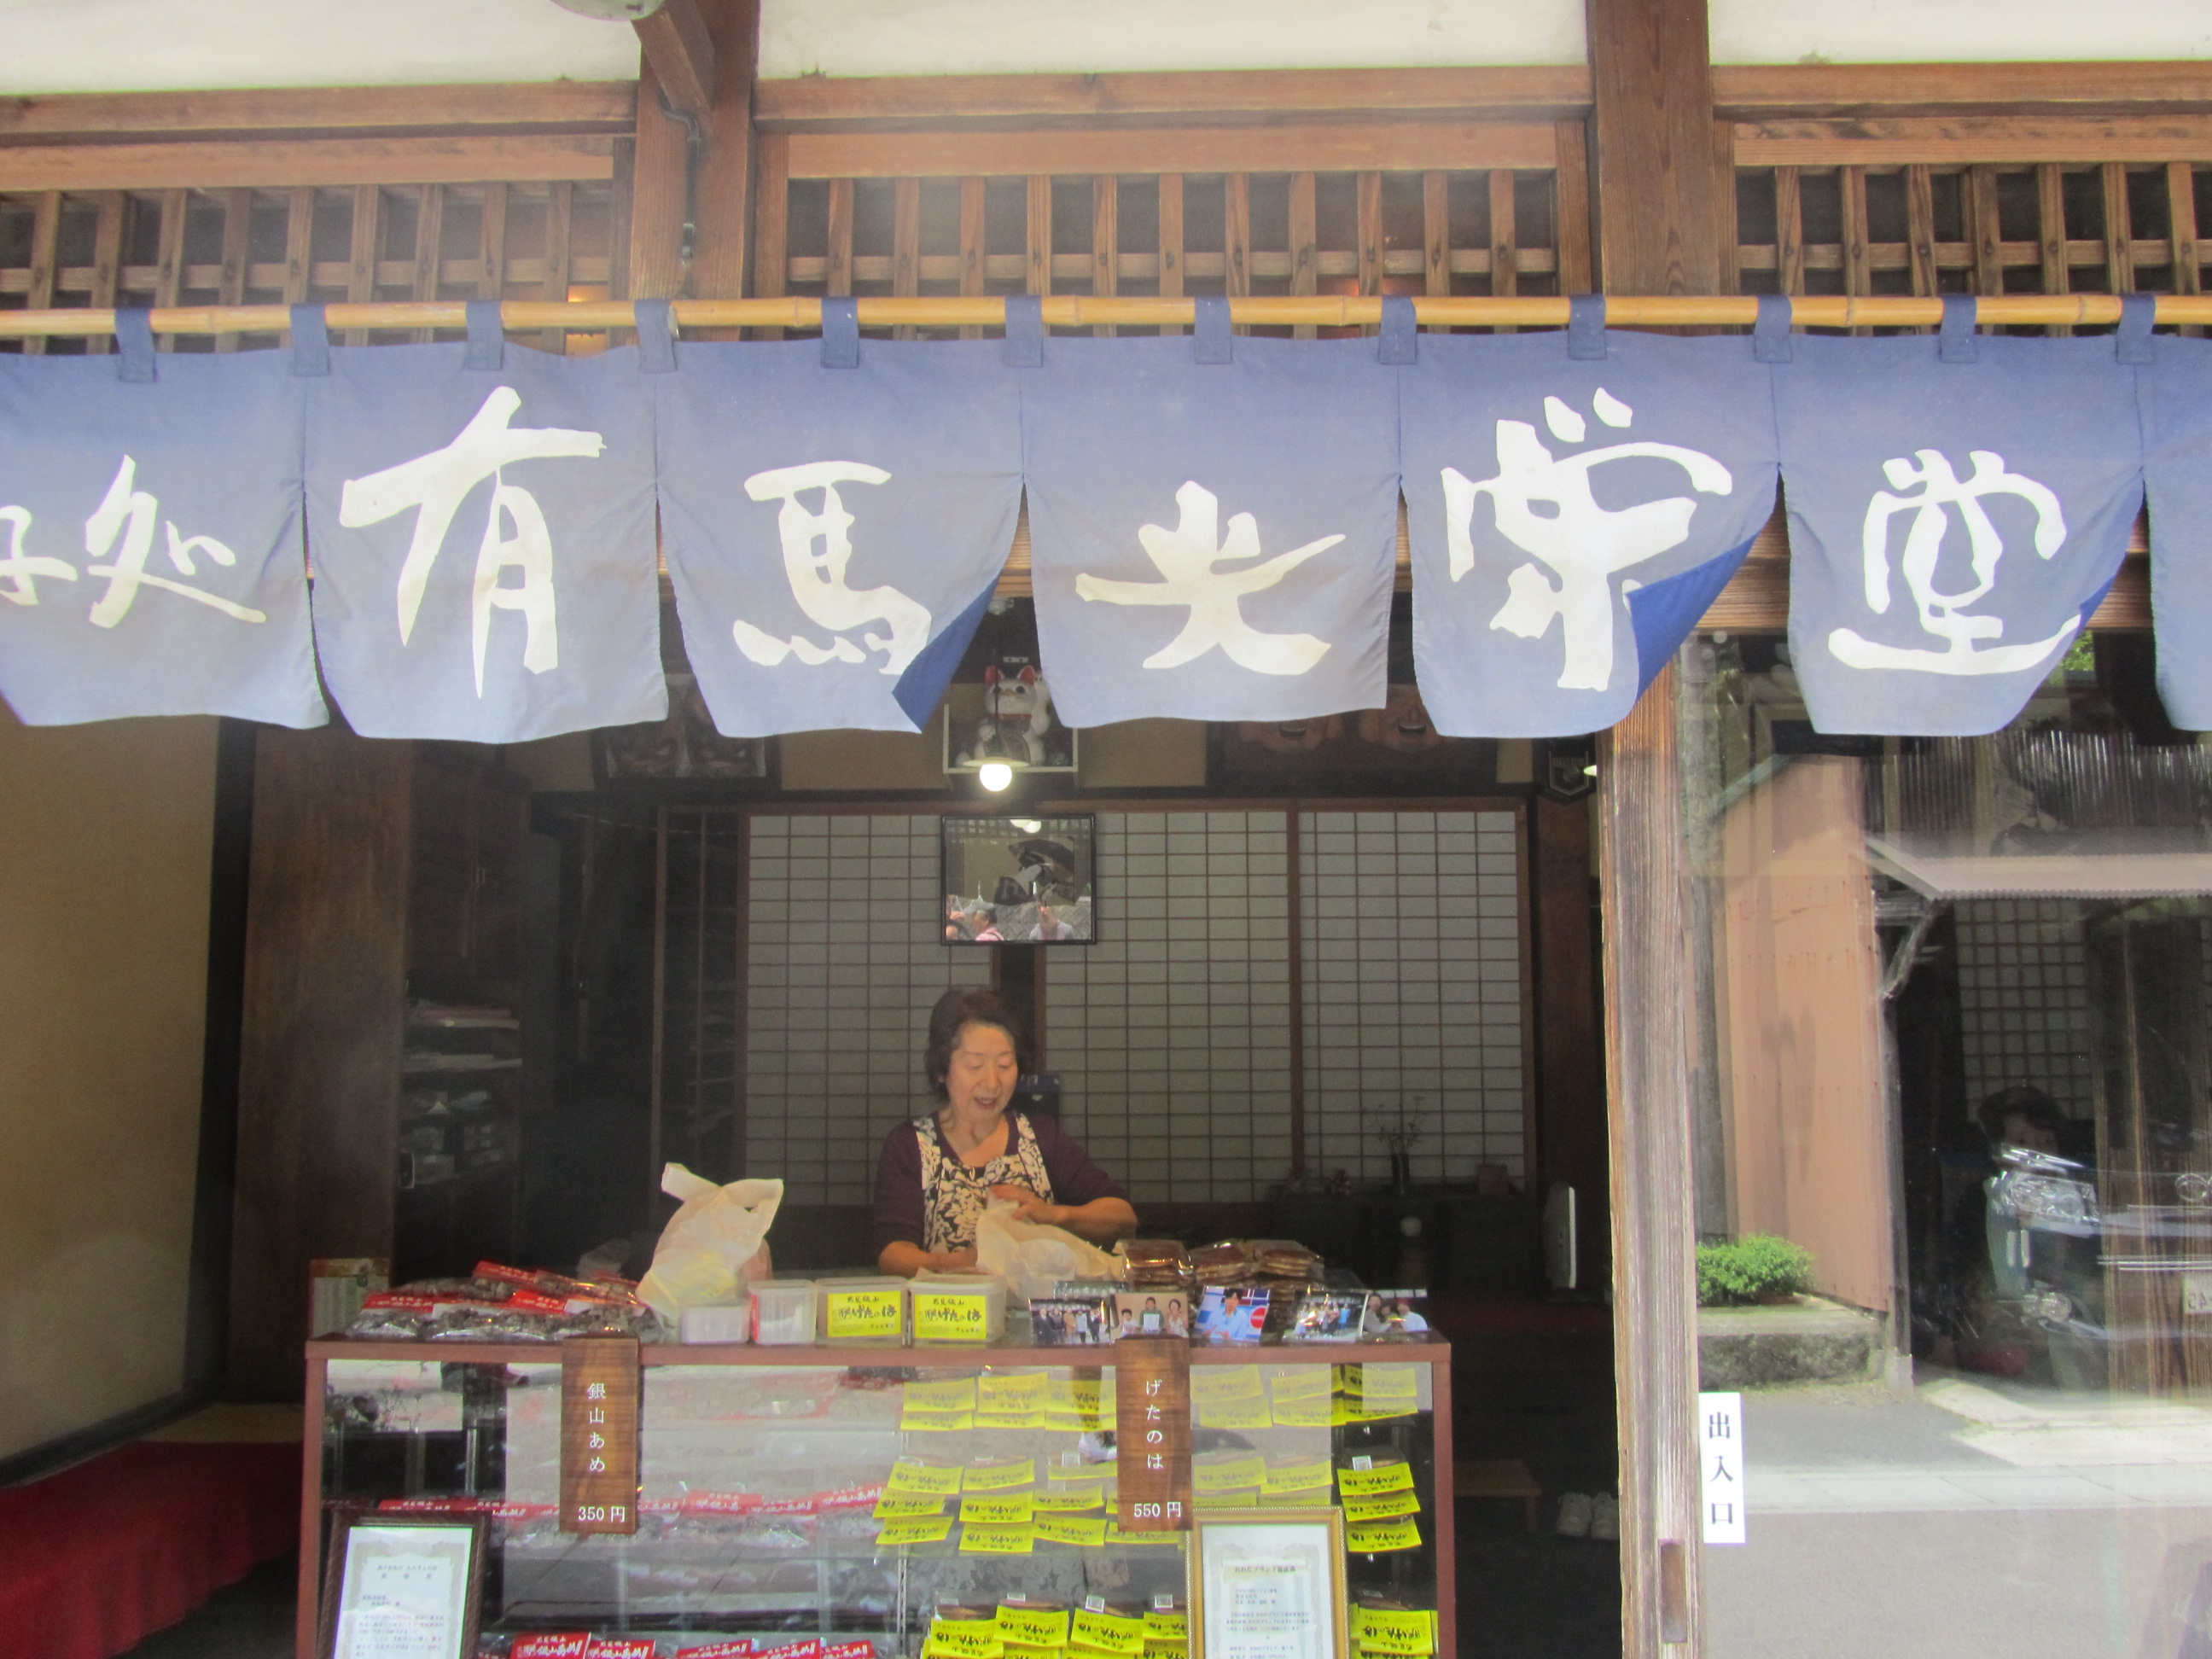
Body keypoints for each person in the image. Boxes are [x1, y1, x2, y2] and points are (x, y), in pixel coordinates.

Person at [874, 987, 1138, 1278]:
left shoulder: (1039, 1137)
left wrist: (1055, 1215)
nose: (992, 1082)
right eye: (975, 1066)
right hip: (948, 1315)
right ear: (941, 1070)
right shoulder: (911, 1146)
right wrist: (967, 1261)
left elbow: (1122, 1217)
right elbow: (893, 1254)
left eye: (1004, 1065)